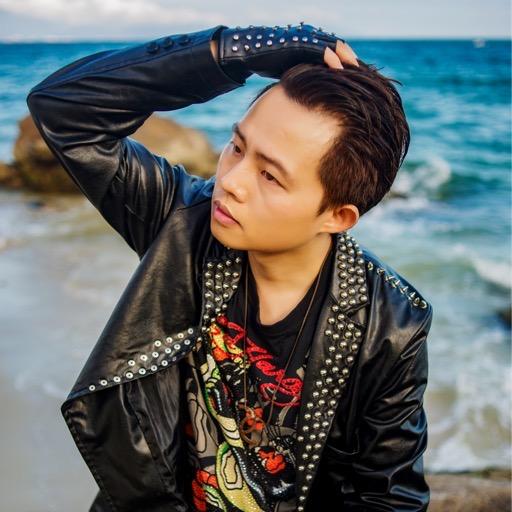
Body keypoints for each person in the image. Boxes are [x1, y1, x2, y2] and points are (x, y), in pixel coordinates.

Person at [26, 22, 434, 512]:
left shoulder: (390, 326)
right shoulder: (181, 223)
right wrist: (236, 51)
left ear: (336, 216)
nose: (232, 182)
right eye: (237, 147)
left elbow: (388, 498)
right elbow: (62, 109)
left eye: (270, 176)